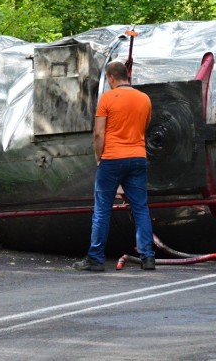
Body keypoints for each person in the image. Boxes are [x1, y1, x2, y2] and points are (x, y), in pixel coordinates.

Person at [73, 60, 156, 272]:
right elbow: (144, 127)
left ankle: (96, 259)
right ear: (127, 76)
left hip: (112, 159)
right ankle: (147, 258)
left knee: (102, 210)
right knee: (140, 208)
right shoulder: (145, 99)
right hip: (137, 157)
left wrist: (99, 157)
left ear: (111, 77)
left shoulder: (107, 98)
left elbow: (99, 132)